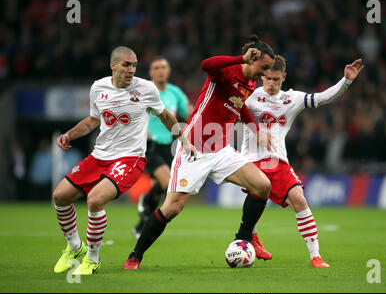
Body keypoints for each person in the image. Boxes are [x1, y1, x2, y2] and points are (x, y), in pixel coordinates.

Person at [123, 35, 275, 270]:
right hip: (193, 149)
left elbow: (239, 104)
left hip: (221, 150)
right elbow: (206, 65)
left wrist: (256, 130)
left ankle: (244, 238)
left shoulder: (250, 84)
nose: (264, 74)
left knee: (263, 185)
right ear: (252, 58)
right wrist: (240, 58)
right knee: (172, 208)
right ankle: (135, 255)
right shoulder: (227, 70)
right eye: (263, 68)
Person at [52, 46, 196, 275]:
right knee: (60, 196)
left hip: (130, 159)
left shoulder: (146, 89)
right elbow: (92, 120)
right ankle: (74, 247)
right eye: (126, 65)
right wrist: (69, 134)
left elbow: (166, 116)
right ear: (113, 66)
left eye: (134, 65)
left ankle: (92, 258)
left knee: (95, 199)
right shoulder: (98, 88)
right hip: (100, 156)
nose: (131, 70)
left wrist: (184, 141)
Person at [238, 55, 364, 267]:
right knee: (256, 196)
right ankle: (251, 238)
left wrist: (346, 81)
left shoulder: (292, 99)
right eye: (267, 78)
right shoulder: (250, 96)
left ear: (284, 78)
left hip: (278, 161)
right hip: (251, 160)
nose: (270, 84)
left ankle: (315, 255)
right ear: (261, 76)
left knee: (300, 200)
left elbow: (323, 98)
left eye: (276, 80)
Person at [133, 57, 193, 239]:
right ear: (151, 73)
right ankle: (143, 200)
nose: (160, 70)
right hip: (149, 146)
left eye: (164, 67)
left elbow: (187, 110)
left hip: (169, 146)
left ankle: (140, 226)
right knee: (167, 183)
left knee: (159, 192)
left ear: (168, 71)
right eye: (156, 67)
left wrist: (198, 113)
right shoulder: (145, 91)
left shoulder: (175, 92)